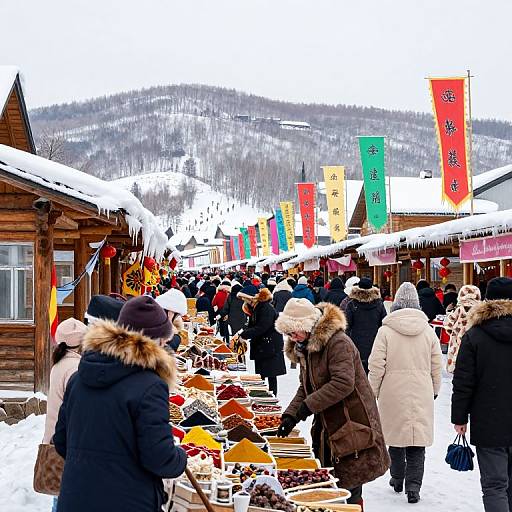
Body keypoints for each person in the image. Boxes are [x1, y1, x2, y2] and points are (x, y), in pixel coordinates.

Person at [53, 295, 187, 512]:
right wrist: (181, 457)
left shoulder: (78, 378)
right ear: (152, 342)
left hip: (76, 499)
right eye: (163, 341)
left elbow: (60, 441)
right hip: (128, 501)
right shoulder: (151, 386)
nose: (165, 347)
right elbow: (159, 458)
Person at [275, 298, 390, 510]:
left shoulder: (338, 343)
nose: (292, 338)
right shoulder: (306, 345)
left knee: (350, 485)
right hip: (330, 424)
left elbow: (343, 383)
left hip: (353, 423)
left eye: (295, 332)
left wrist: (307, 408)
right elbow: (306, 386)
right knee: (335, 485)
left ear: (308, 326)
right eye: (288, 334)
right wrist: (291, 415)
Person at [368, 282, 442, 504]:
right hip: (421, 390)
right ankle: (414, 487)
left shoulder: (385, 331)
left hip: (392, 390)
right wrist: (435, 389)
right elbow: (436, 364)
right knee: (417, 442)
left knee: (396, 438)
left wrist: (374, 390)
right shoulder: (428, 332)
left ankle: (397, 478)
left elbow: (376, 364)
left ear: (396, 305)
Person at [452, 277, 512, 512]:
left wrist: (459, 417)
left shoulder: (474, 336)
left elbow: (464, 381)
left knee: (494, 485)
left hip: (489, 421)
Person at [42, 318, 87, 512]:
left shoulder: (60, 363)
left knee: (60, 493)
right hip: (65, 439)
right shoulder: (74, 368)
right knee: (64, 495)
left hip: (54, 437)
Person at [238, 284, 286, 396]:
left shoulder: (265, 308)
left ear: (252, 298)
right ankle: (263, 395)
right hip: (264, 346)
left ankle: (271, 398)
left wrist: (245, 334)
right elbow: (253, 325)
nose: (244, 301)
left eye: (245, 299)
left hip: (269, 346)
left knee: (270, 375)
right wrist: (244, 332)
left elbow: (262, 327)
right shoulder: (257, 307)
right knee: (262, 374)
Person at [345, 278, 387, 374]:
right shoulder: (379, 304)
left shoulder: (351, 305)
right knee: (373, 371)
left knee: (358, 373)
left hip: (356, 343)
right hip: (375, 342)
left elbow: (346, 327)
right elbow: (384, 324)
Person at [443, 285, 481, 373]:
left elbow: (449, 324)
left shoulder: (459, 309)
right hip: (474, 339)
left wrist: (452, 331)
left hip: (457, 338)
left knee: (457, 360)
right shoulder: (479, 311)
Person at [212, 279, 231, 344]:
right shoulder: (229, 294)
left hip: (220, 312)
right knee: (228, 327)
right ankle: (228, 341)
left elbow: (214, 303)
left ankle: (223, 339)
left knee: (222, 326)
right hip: (228, 312)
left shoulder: (218, 294)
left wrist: (216, 312)